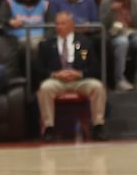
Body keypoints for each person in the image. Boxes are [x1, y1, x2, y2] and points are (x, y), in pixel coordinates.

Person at [36, 11, 107, 141]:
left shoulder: (85, 42)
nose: (59, 27)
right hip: (57, 80)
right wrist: (55, 74)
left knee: (97, 87)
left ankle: (98, 126)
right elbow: (39, 69)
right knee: (45, 88)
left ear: (71, 25)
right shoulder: (46, 45)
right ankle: (49, 128)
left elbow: (95, 67)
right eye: (57, 24)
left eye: (63, 23)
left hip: (80, 80)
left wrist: (79, 73)